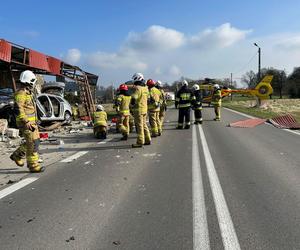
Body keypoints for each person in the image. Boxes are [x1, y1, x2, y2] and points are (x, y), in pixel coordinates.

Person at [10, 70, 45, 173]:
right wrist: (26, 121)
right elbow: (19, 109)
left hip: (31, 123)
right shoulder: (21, 93)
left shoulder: (27, 92)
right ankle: (33, 165)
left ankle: (17, 155)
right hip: (26, 124)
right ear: (29, 81)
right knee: (32, 143)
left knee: (35, 141)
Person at [130, 73, 151, 148]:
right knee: (144, 125)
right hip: (145, 109)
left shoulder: (138, 88)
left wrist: (131, 106)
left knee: (139, 126)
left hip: (138, 110)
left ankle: (140, 142)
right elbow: (148, 99)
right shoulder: (146, 88)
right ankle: (148, 139)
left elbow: (134, 98)